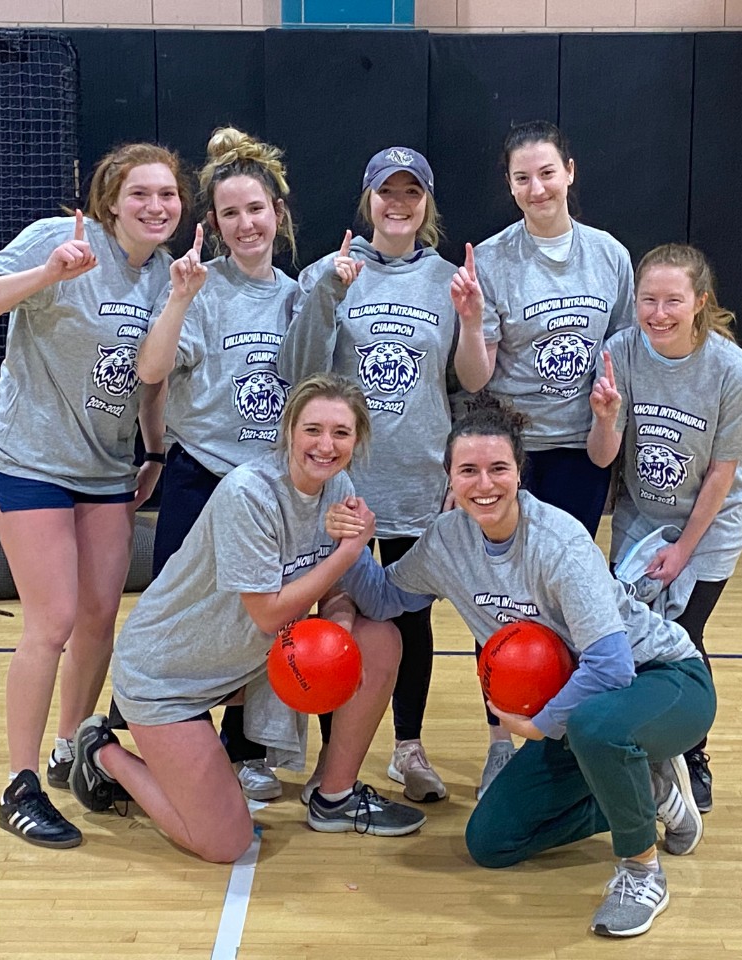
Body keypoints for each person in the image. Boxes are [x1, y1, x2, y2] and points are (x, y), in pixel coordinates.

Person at [334, 397, 715, 938]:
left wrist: (539, 727)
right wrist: (347, 550)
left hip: (665, 679)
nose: (483, 483)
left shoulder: (558, 542)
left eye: (497, 469)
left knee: (595, 725)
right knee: (491, 841)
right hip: (586, 714)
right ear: (449, 478)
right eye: (467, 470)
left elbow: (610, 665)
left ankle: (641, 871)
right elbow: (387, 598)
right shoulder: (446, 543)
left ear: (518, 472)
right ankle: (651, 791)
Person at [67, 374, 427, 863]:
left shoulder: (337, 485)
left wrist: (336, 637)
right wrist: (353, 548)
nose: (326, 445)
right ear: (289, 431)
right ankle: (103, 753)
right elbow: (268, 613)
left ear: (358, 439)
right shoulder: (249, 494)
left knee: (379, 639)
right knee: (225, 843)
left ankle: (335, 797)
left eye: (341, 433)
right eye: (313, 430)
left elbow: (346, 590)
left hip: (247, 664)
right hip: (169, 674)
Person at [0, 142, 188, 848]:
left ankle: (68, 748)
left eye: (167, 195)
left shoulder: (169, 276)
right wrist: (44, 275)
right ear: (110, 200)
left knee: (98, 617)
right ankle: (17, 783)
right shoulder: (60, 239)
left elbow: (150, 378)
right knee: (49, 621)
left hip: (105, 465)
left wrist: (153, 449)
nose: (155, 206)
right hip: (30, 455)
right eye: (140, 193)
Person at [278, 145, 493, 805]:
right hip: (342, 480)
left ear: (426, 201)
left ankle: (408, 750)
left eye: (410, 193)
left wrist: (472, 317)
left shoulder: (447, 278)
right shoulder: (330, 271)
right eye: (386, 193)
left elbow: (472, 381)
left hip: (415, 475)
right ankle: (333, 758)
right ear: (367, 200)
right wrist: (326, 295)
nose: (397, 205)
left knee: (411, 617)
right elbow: (296, 372)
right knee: (335, 615)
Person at [466, 120, 636, 796]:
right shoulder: (496, 261)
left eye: (545, 173)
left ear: (569, 171)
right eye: (521, 178)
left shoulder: (609, 257)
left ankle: (560, 729)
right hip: (519, 453)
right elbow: (476, 380)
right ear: (509, 187)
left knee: (565, 602)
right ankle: (500, 741)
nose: (536, 188)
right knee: (498, 604)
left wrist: (613, 438)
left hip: (582, 452)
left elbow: (625, 359)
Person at [133, 126, 299, 802]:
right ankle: (180, 735)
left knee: (261, 618)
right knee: (184, 611)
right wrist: (177, 297)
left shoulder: (298, 296)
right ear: (213, 224)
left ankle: (249, 747)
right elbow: (150, 369)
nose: (245, 223)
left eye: (255, 209)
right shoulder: (198, 289)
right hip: (203, 473)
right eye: (230, 213)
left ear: (277, 214)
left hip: (269, 487)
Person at [587, 242, 742, 813]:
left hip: (710, 523)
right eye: (647, 301)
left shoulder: (734, 372)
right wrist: (607, 418)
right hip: (643, 517)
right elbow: (601, 458)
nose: (658, 314)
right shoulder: (620, 352)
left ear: (699, 303)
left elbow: (721, 473)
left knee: (684, 635)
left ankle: (692, 754)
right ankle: (645, 754)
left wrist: (686, 549)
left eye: (672, 301)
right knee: (636, 635)